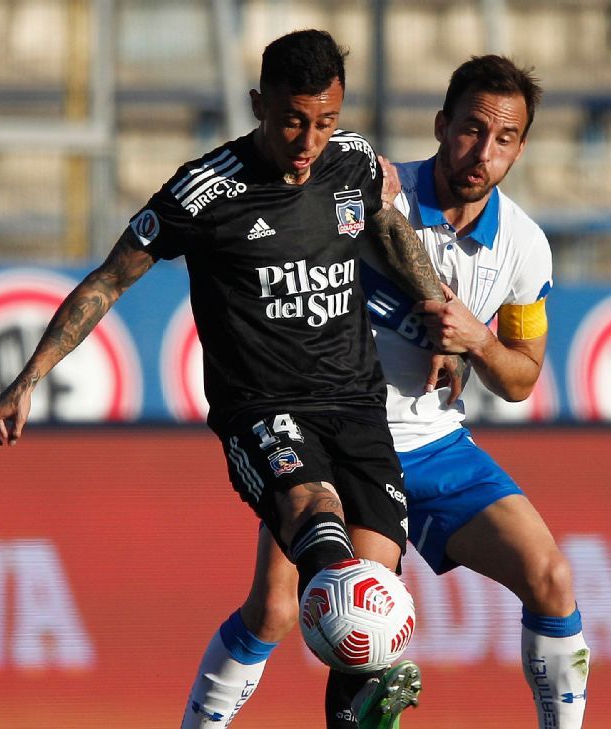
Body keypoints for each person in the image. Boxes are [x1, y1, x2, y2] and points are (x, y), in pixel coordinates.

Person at [0, 29, 452, 729]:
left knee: (367, 592)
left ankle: (350, 708)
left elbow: (388, 229)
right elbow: (109, 280)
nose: (308, 140)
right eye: (293, 119)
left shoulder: (351, 162)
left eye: (324, 121)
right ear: (259, 104)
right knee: (317, 522)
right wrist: (25, 381)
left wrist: (438, 310)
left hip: (356, 404)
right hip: (263, 408)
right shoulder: (205, 191)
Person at [182, 55, 590, 729]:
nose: (482, 152)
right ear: (441, 125)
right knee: (291, 613)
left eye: (505, 139)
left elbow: (521, 377)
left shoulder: (525, 248)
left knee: (551, 577)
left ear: (521, 148)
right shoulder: (370, 193)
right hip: (336, 442)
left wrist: (478, 343)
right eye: (470, 130)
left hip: (434, 445)